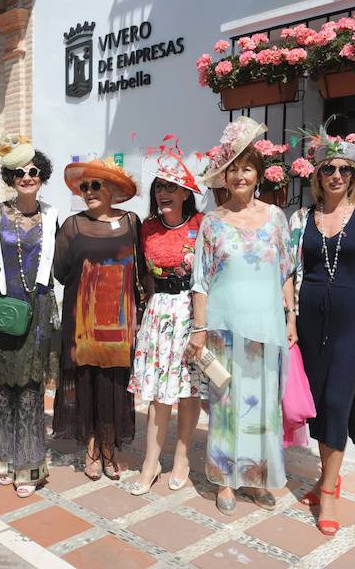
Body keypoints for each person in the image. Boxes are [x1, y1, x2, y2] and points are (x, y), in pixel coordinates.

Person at [184, 116, 297, 515]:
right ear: (225, 178)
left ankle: (257, 478)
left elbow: (286, 271)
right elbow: (200, 281)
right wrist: (198, 330)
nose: (240, 176)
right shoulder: (213, 223)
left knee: (263, 407)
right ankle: (225, 480)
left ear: (258, 173)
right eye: (233, 170)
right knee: (226, 406)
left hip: (266, 328)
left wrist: (291, 318)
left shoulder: (276, 218)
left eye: (247, 168)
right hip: (221, 330)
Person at [289, 121, 355, 536]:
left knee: (337, 398)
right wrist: (292, 320)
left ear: (354, 177)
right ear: (317, 175)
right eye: (329, 169)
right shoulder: (301, 218)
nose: (336, 176)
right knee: (319, 401)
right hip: (312, 320)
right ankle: (325, 477)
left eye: (345, 170)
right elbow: (292, 273)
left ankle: (330, 492)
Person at [0, 135, 60, 498]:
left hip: (38, 311)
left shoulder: (54, 216)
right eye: (20, 173)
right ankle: (1, 458)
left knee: (29, 388)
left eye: (34, 172)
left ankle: (28, 463)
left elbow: (63, 264)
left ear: (42, 176)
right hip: (0, 308)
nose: (27, 177)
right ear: (10, 178)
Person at [52, 157, 141, 480]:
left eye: (95, 186)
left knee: (114, 384)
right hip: (82, 324)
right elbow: (60, 271)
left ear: (112, 190)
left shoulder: (132, 222)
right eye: (84, 187)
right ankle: (91, 448)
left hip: (121, 323)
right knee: (87, 382)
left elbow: (141, 271)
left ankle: (109, 448)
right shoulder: (72, 226)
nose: (87, 192)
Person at [128, 145, 204, 495]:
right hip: (159, 313)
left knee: (188, 391)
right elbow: (142, 275)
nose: (164, 193)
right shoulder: (147, 228)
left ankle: (183, 458)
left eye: (171, 187)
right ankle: (151, 461)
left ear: (187, 193)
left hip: (193, 312)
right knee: (158, 394)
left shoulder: (203, 225)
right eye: (159, 186)